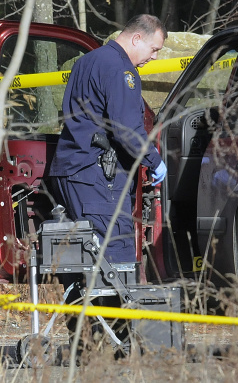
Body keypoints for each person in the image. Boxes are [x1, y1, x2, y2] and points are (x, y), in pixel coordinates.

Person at [46, 14, 168, 265]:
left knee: (88, 258)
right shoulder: (121, 70)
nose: (154, 57)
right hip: (97, 176)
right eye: (154, 49)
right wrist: (154, 161)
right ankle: (111, 306)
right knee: (116, 256)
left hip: (74, 171)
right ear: (136, 38)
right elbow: (127, 129)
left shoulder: (87, 61)